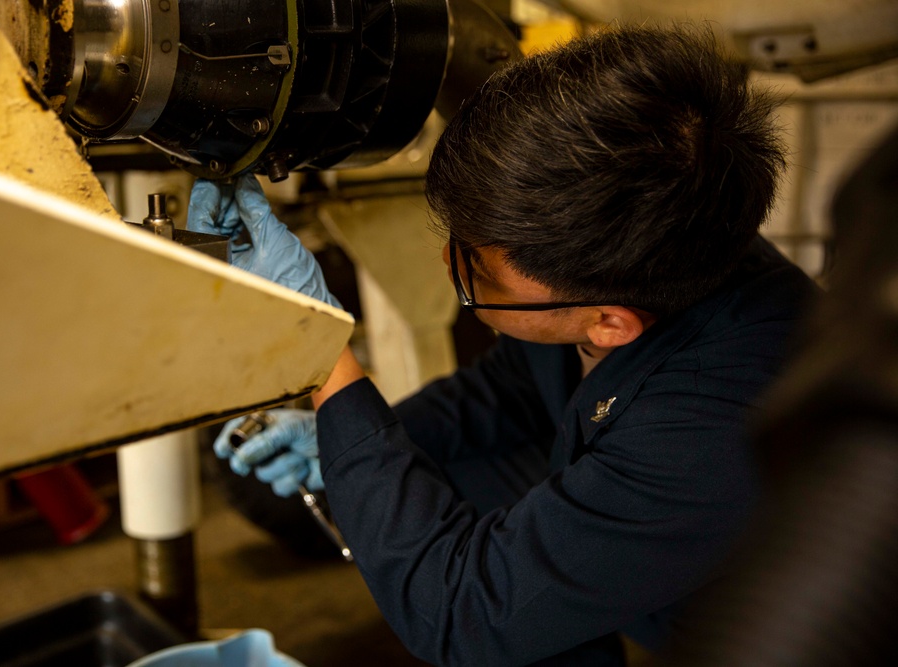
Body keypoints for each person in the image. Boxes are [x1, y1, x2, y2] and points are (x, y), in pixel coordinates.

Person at [188, 24, 818, 666]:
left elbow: (464, 614)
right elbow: (511, 389)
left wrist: (320, 350)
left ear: (609, 324)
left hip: (740, 627)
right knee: (428, 486)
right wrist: (351, 441)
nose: (447, 261)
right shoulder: (651, 243)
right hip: (647, 541)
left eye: (479, 272)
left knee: (487, 608)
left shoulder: (718, 422)